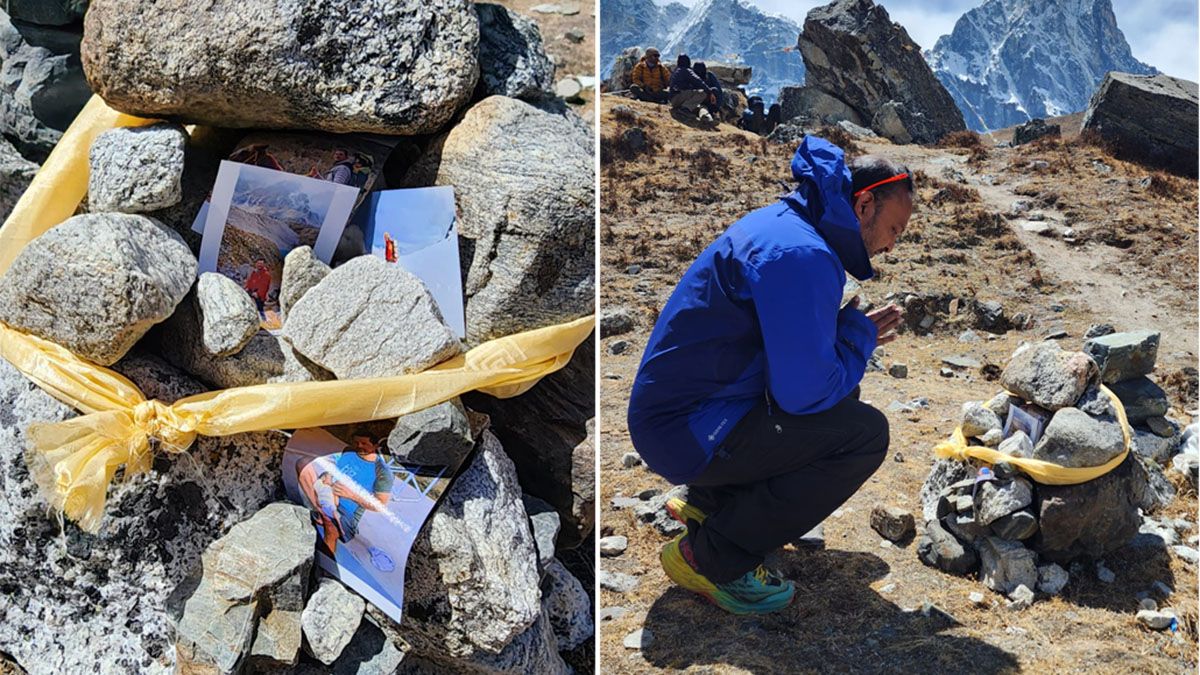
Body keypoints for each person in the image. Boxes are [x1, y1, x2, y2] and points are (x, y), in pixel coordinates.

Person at [626, 136, 911, 615]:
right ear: (864, 204)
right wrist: (856, 341)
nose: (891, 245)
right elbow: (803, 394)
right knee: (864, 435)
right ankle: (712, 557)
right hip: (688, 431)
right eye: (895, 229)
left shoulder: (790, 228)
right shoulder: (803, 255)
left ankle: (713, 504)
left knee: (845, 397)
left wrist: (843, 336)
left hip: (684, 416)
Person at [298, 430, 397, 557]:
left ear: (376, 446)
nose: (359, 446)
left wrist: (351, 494)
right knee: (303, 464)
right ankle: (319, 509)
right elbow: (334, 467)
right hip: (328, 492)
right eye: (356, 442)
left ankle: (326, 563)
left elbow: (380, 505)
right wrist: (327, 475)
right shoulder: (348, 451)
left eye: (364, 443)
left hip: (348, 510)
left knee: (331, 525)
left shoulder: (383, 471)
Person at [668, 54, 713, 122]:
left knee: (696, 105)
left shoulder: (676, 71)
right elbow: (698, 81)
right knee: (702, 93)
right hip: (679, 96)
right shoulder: (686, 70)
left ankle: (689, 109)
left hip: (673, 100)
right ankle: (685, 109)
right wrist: (710, 92)